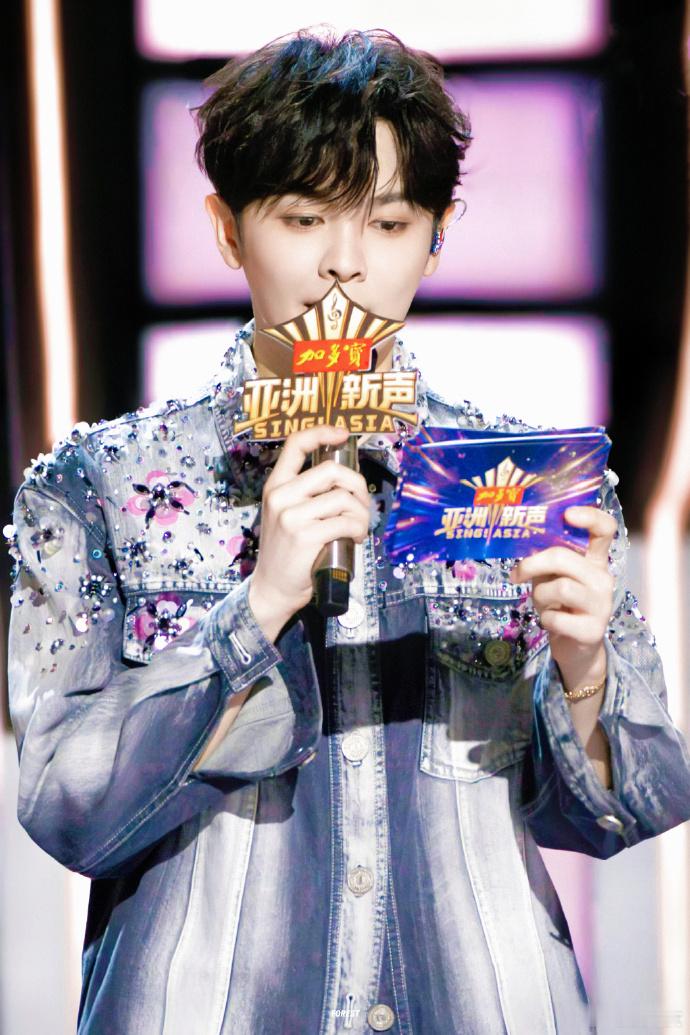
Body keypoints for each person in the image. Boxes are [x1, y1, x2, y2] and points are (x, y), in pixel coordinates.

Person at [6, 27, 690, 1035]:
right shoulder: (100, 485)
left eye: (390, 223)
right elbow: (66, 806)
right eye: (302, 218)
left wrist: (587, 668)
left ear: (437, 234)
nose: (345, 266)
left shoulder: (520, 477)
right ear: (227, 229)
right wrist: (255, 611)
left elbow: (627, 807)